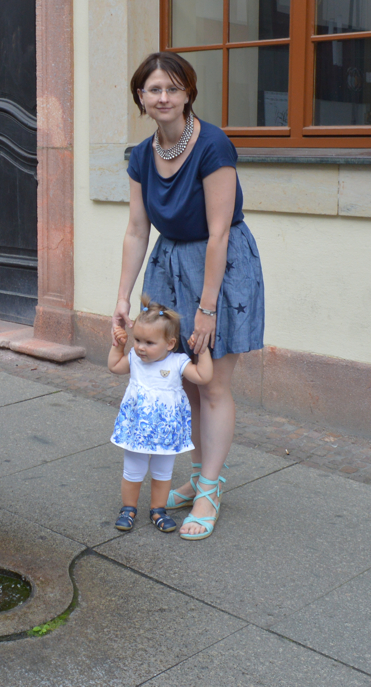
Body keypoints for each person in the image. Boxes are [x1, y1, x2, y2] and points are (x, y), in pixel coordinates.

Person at [113, 51, 266, 541]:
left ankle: (210, 490)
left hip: (219, 270)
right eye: (154, 89)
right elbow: (137, 229)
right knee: (185, 382)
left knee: (213, 383)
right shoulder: (141, 155)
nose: (163, 97)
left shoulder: (213, 145)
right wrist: (123, 297)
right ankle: (200, 475)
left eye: (173, 88)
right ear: (141, 96)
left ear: (187, 94)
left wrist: (207, 309)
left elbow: (219, 233)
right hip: (168, 266)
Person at [107, 298, 214, 534]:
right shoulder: (134, 359)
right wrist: (118, 346)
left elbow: (203, 376)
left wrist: (202, 351)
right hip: (137, 430)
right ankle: (128, 509)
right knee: (133, 470)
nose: (140, 347)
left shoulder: (178, 362)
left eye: (149, 342)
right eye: (137, 340)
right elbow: (114, 366)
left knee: (163, 473)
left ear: (170, 343)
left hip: (166, 432)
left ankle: (158, 509)